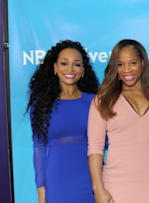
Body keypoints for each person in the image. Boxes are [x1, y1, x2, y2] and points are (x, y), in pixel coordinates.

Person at [87, 39, 149, 203]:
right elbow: (95, 148)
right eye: (120, 64)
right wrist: (98, 188)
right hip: (116, 184)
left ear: (142, 63)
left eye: (132, 63)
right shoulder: (103, 100)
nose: (127, 70)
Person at [27, 40, 99, 203]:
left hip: (91, 178)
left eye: (76, 64)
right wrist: (41, 191)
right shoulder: (41, 105)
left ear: (83, 70)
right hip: (57, 180)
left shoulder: (95, 103)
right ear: (54, 68)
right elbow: (38, 148)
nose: (70, 69)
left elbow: (107, 141)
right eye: (64, 63)